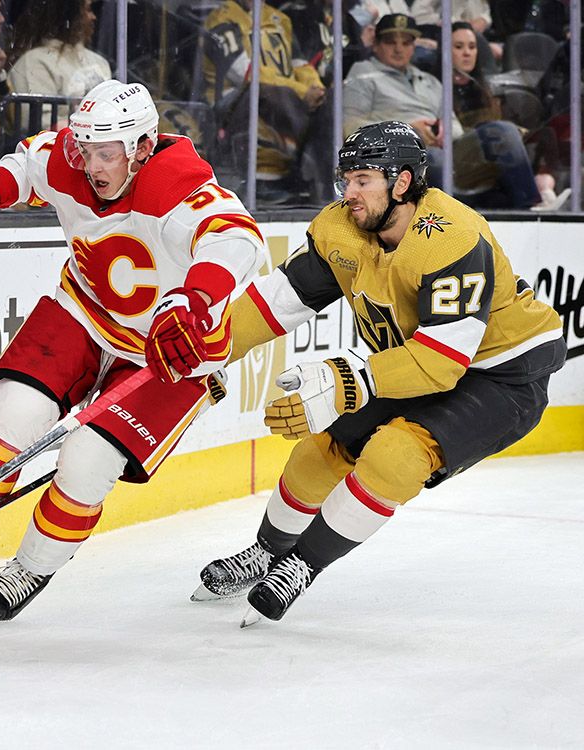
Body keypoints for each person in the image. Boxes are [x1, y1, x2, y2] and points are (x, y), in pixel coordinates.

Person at [0, 79, 265, 622]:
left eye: (107, 152)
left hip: (170, 347)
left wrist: (194, 296)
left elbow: (239, 239)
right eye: (85, 148)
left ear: (141, 147)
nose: (92, 165)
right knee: (14, 412)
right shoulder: (71, 160)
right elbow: (25, 167)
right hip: (85, 312)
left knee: (88, 459)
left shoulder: (180, 188)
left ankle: (32, 567)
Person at [194, 121, 566, 624]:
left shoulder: (451, 239)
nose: (349, 193)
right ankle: (265, 552)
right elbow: (278, 302)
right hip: (417, 359)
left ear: (404, 182)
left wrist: (348, 380)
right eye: (345, 178)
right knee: (322, 448)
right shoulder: (343, 227)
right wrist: (208, 350)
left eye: (363, 179)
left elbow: (440, 365)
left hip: (503, 374)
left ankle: (300, 566)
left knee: (395, 455)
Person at [203, 0, 330, 202]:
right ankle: (264, 180)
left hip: (285, 96)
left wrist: (315, 88)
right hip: (233, 102)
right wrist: (301, 92)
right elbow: (245, 73)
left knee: (328, 101)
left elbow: (300, 64)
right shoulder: (220, 20)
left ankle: (320, 180)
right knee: (268, 94)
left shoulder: (279, 19)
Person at [450, 21, 568, 211]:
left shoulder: (485, 89)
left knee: (545, 134)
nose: (467, 53)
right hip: (461, 161)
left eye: (472, 47)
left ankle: (544, 189)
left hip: (489, 165)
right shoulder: (437, 87)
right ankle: (533, 201)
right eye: (458, 47)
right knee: (501, 131)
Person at [342, 12, 462, 188]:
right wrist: (408, 130)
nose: (399, 49)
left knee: (500, 135)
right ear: (375, 45)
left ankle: (513, 213)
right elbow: (349, 127)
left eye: (406, 43)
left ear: (414, 47)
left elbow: (457, 128)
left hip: (447, 150)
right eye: (390, 42)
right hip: (394, 158)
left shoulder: (430, 81)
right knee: (434, 159)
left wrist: (443, 131)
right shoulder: (363, 73)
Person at [7, 0, 110, 124]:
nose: (93, 17)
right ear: (71, 15)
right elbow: (37, 124)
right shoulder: (34, 61)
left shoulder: (99, 62)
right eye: (88, 10)